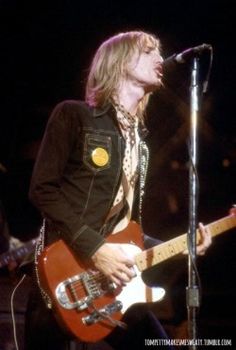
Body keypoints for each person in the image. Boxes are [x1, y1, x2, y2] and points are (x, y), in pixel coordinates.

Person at [24, 31, 212, 350]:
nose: (159, 58)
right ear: (121, 61)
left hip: (109, 285)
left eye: (159, 51)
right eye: (149, 50)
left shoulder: (139, 142)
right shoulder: (75, 115)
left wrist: (183, 246)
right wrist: (96, 250)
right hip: (63, 275)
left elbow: (126, 232)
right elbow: (42, 190)